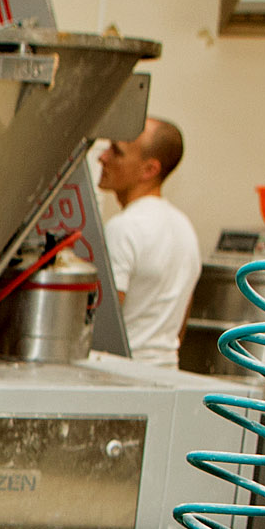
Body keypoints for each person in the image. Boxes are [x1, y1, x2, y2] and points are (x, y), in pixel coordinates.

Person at [97, 117, 200, 369]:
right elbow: (180, 326)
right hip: (166, 375)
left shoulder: (124, 228)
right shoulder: (185, 228)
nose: (103, 157)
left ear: (149, 170)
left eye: (116, 152)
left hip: (121, 375)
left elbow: (103, 326)